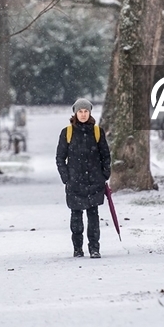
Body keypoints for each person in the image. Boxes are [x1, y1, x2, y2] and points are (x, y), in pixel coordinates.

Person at [55, 98, 111, 258]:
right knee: (76, 217)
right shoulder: (67, 133)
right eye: (80, 111)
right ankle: (77, 248)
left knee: (93, 216)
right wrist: (66, 178)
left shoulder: (97, 131)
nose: (83, 114)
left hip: (94, 182)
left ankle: (95, 248)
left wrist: (104, 174)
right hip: (75, 183)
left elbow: (105, 155)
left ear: (90, 113)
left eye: (86, 111)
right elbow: (60, 158)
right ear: (75, 113)